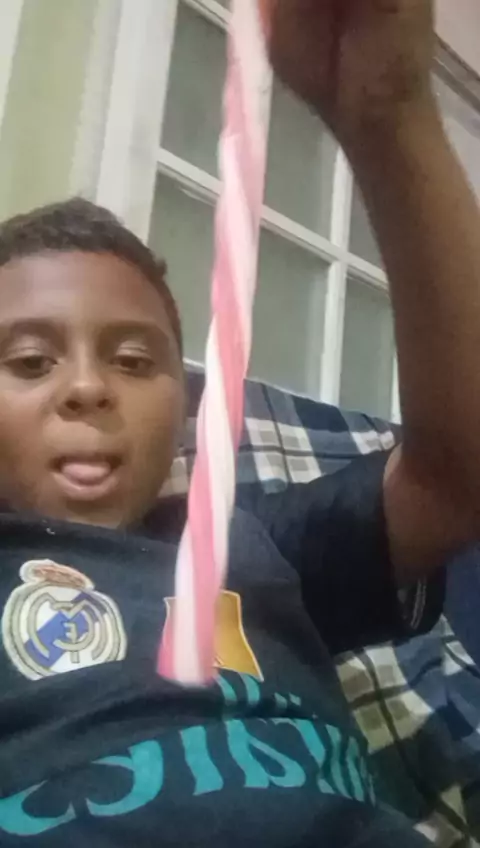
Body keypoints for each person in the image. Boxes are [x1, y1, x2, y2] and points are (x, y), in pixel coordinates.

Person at [0, 1, 478, 844]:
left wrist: (390, 112)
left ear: (187, 406)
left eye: (134, 360)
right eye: (31, 362)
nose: (89, 388)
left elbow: (457, 482)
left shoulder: (250, 544)